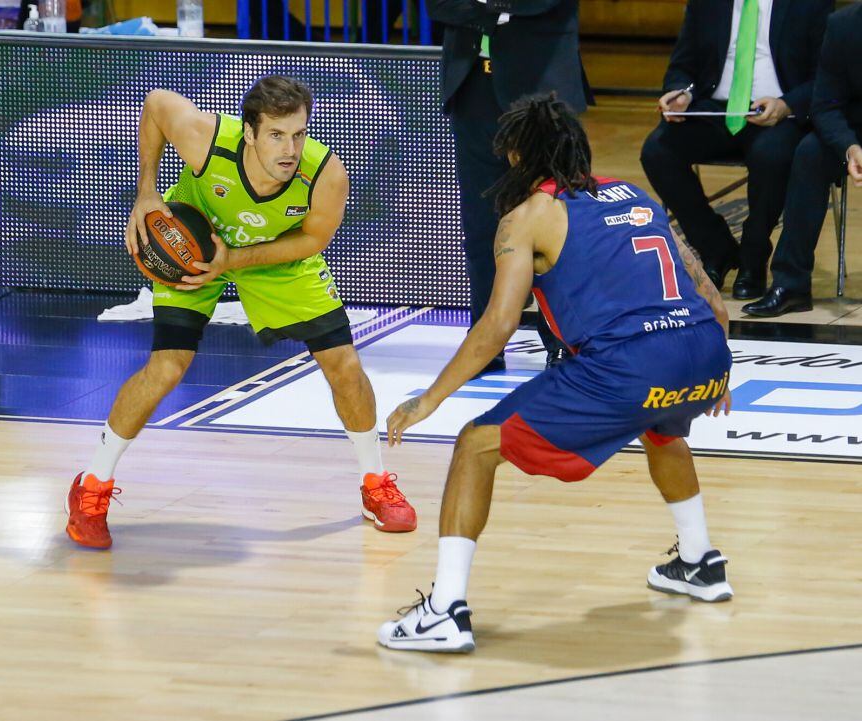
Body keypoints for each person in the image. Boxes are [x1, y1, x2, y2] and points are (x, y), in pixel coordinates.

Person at [377, 95, 734, 654]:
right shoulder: (635, 194)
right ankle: (701, 562)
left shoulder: (526, 217)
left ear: (518, 154)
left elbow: (495, 328)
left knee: (474, 446)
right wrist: (711, 371)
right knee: (661, 422)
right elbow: (708, 292)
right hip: (704, 350)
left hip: (630, 363)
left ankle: (444, 612)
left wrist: (431, 398)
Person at [66, 76, 417, 549]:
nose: (290, 148)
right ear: (249, 133)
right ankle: (92, 487)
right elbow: (156, 102)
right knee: (167, 368)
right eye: (276, 134)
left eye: (299, 134)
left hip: (273, 256)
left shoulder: (326, 175)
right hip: (191, 238)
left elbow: (313, 240)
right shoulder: (207, 142)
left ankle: (375, 485)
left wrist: (231, 261)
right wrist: (147, 193)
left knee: (344, 364)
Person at [427, 0, 591, 372]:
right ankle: (485, 341)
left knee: (557, 221)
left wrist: (484, 4)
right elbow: (439, 6)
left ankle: (564, 340)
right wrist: (498, 11)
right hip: (472, 88)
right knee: (482, 223)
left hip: (542, 92)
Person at [640, 0, 832, 300]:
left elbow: (825, 75)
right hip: (715, 108)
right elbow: (683, 64)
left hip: (777, 110)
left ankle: (753, 258)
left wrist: (787, 104)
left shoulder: (809, 4)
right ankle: (716, 247)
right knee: (657, 151)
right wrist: (681, 92)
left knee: (771, 155)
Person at [743, 2, 862, 317]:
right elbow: (825, 104)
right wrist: (850, 147)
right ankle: (791, 284)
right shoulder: (843, 25)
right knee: (809, 152)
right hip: (854, 129)